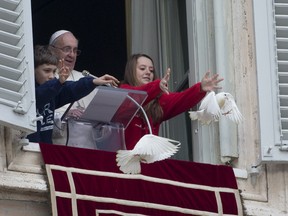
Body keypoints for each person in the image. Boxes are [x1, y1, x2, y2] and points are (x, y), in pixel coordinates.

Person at [119, 53, 223, 150]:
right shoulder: (123, 92)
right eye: (142, 68)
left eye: (151, 70)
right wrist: (157, 86)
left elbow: (181, 99)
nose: (148, 72)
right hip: (123, 162)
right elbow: (136, 95)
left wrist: (200, 88)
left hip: (148, 163)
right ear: (131, 72)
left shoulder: (157, 101)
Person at [27, 45, 119, 144]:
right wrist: (58, 83)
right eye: (47, 71)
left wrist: (93, 82)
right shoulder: (27, 93)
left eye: (54, 71)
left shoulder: (54, 89)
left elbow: (72, 89)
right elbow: (40, 96)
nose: (52, 76)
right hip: (26, 151)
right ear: (33, 70)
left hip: (45, 151)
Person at [48, 30, 97, 145]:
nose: (72, 54)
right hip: (58, 152)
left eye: (75, 50)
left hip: (88, 151)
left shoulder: (86, 79)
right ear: (51, 50)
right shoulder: (45, 78)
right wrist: (65, 115)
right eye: (66, 49)